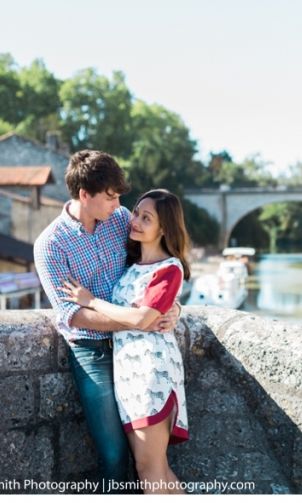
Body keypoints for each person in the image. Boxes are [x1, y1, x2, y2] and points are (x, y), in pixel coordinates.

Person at [34, 150, 181, 493]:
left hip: (138, 353)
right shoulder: (50, 246)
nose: (119, 205)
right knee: (115, 456)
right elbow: (74, 314)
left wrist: (173, 308)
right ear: (85, 195)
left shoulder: (119, 221)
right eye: (112, 196)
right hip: (92, 352)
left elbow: (154, 272)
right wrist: (139, 321)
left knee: (147, 461)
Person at [59, 189, 190, 495]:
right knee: (156, 467)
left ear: (164, 228)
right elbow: (144, 313)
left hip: (152, 374)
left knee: (149, 469)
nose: (136, 221)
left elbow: (142, 319)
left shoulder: (169, 268)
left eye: (148, 218)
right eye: (137, 213)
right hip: (129, 375)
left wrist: (90, 301)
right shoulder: (133, 266)